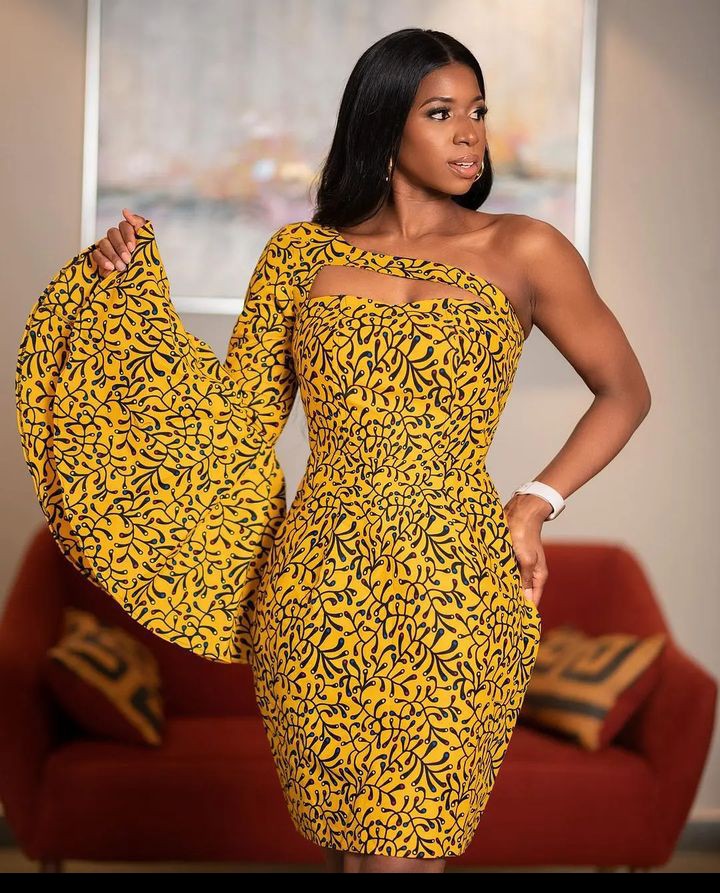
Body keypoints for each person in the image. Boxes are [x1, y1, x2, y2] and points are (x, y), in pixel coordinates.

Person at [16, 28, 651, 875]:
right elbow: (236, 425)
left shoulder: (526, 249)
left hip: (457, 582)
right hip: (315, 583)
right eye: (441, 113)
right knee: (350, 853)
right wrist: (121, 297)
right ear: (384, 123)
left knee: (405, 852)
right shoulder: (299, 256)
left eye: (478, 112)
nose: (470, 133)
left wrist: (536, 501)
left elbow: (625, 390)